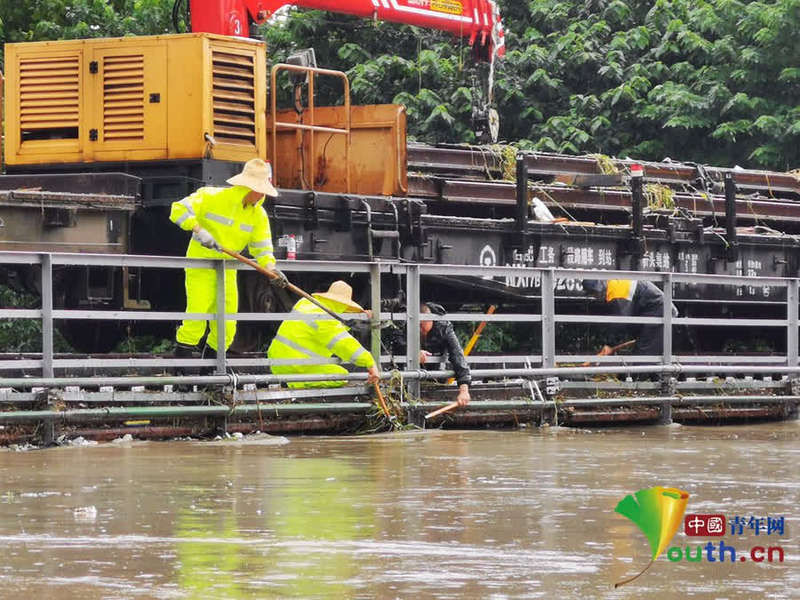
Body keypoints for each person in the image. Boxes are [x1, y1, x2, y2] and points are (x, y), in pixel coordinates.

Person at [170, 158, 288, 361]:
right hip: (201, 264)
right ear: (247, 186)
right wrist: (199, 231)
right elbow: (178, 210)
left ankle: (212, 372)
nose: (262, 195)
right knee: (197, 315)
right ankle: (183, 371)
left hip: (227, 270)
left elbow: (262, 248)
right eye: (259, 190)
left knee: (227, 322)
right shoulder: (212, 197)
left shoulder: (258, 215)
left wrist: (271, 270)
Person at [267, 280, 381, 388]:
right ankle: (294, 384)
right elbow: (343, 343)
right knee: (340, 375)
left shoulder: (306, 304)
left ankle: (291, 382)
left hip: (277, 364)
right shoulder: (325, 319)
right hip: (296, 368)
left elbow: (328, 330)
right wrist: (370, 362)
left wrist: (360, 316)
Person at [582, 279, 677, 357]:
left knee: (644, 350)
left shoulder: (617, 292)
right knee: (646, 348)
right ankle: (648, 376)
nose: (594, 297)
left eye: (593, 294)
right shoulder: (613, 285)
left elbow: (621, 321)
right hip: (653, 310)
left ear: (598, 290)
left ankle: (639, 377)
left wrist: (610, 344)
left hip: (660, 310)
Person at [415, 303, 472, 407]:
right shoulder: (405, 324)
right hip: (411, 378)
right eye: (417, 325)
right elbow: (398, 347)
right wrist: (414, 353)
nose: (420, 329)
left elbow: (457, 354)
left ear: (430, 319)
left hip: (438, 377)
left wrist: (464, 389)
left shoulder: (444, 327)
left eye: (422, 324)